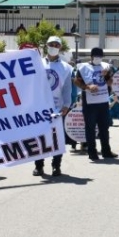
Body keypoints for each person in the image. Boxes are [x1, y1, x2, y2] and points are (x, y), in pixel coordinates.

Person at [33, 36, 73, 177]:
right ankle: (39, 166)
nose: (54, 46)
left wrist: (67, 105)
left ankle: (56, 166)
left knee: (57, 139)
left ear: (60, 48)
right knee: (39, 138)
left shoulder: (66, 68)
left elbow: (67, 88)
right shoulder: (36, 63)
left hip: (58, 108)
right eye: (51, 44)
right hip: (39, 107)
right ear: (46, 45)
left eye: (57, 44)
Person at [74, 46, 117, 161]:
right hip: (90, 103)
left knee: (104, 128)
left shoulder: (106, 66)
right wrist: (87, 87)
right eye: (96, 56)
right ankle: (92, 152)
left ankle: (106, 151)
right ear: (91, 56)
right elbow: (76, 81)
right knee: (90, 128)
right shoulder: (83, 67)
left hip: (103, 101)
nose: (98, 58)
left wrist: (107, 75)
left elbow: (110, 83)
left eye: (100, 56)